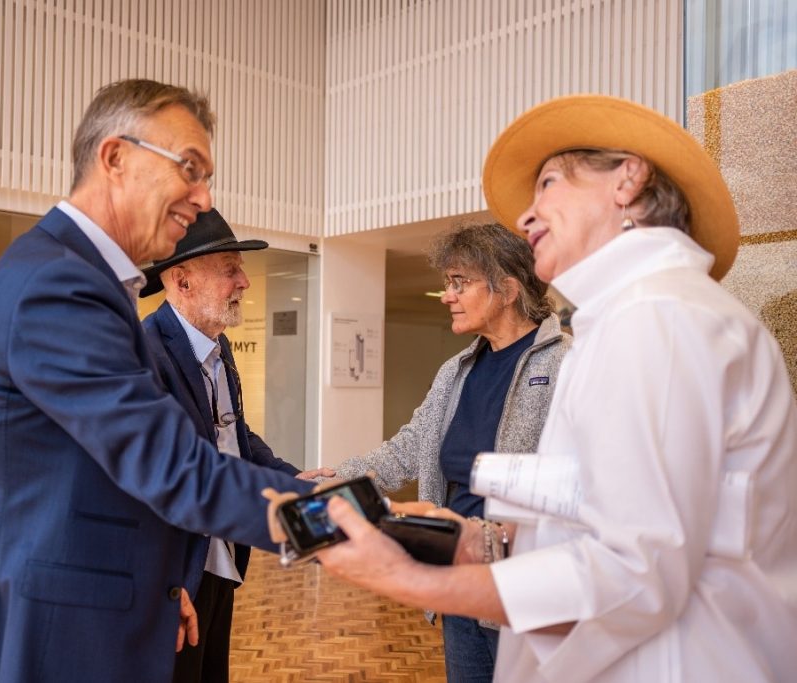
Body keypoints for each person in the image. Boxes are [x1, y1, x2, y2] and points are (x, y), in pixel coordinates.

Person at [309, 94, 797, 682]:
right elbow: (603, 503)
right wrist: (472, 538)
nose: (525, 216)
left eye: (547, 183)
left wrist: (403, 577)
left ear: (628, 180)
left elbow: (632, 572)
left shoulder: (657, 318)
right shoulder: (630, 320)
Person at [0, 79, 313, 683]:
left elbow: (99, 474)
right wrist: (334, 522)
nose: (203, 194)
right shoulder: (57, 286)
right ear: (114, 158)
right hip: (48, 635)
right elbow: (172, 467)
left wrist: (166, 586)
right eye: (189, 168)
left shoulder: (79, 280)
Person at [331, 222, 570, 682]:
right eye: (447, 283)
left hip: (527, 587)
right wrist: (340, 477)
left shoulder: (565, 363)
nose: (446, 295)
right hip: (458, 576)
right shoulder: (456, 370)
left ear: (507, 288)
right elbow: (412, 444)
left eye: (459, 283)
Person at [140, 207, 332, 683]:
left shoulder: (217, 345)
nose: (244, 281)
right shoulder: (146, 353)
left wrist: (290, 478)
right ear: (182, 283)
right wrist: (160, 583)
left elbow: (234, 434)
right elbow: (151, 476)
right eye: (230, 270)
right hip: (173, 570)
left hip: (219, 554)